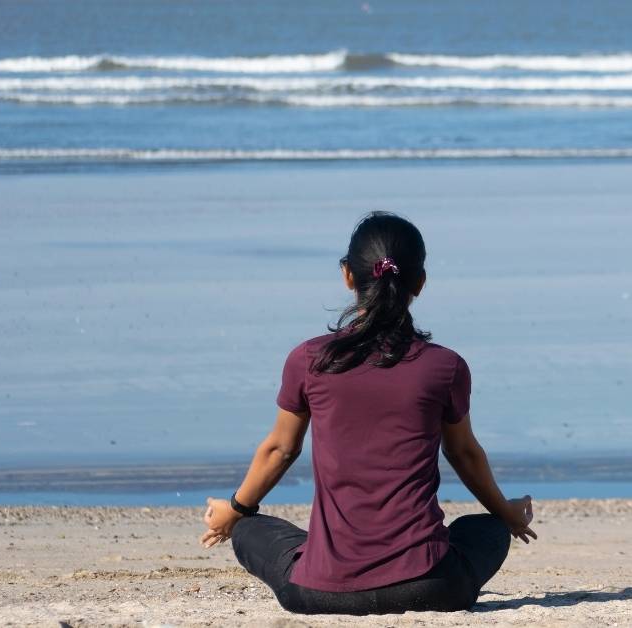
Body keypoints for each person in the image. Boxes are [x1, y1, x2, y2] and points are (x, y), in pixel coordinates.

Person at [198, 211, 537, 615]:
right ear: (420, 283)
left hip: (318, 594)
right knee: (485, 527)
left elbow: (280, 450)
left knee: (250, 529)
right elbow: (463, 453)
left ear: (347, 276)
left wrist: (232, 512)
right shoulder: (444, 367)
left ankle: (313, 552)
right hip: (433, 587)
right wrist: (507, 513)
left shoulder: (309, 360)